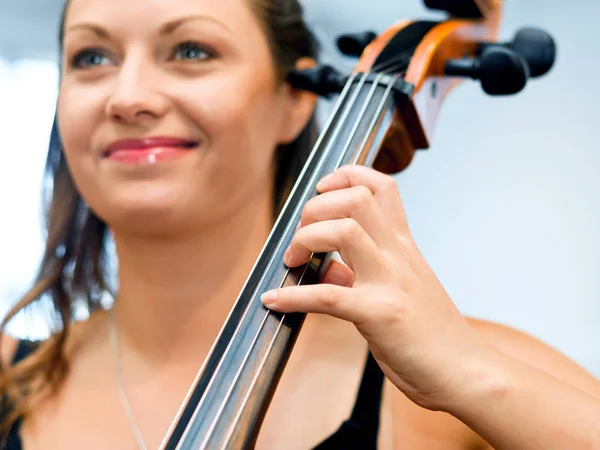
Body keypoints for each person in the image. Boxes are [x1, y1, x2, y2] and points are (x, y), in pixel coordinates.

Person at [1, 0, 599, 449]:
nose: (127, 96)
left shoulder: (455, 383)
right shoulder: (8, 382)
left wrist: (471, 374)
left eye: (191, 51)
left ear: (294, 99)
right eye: (92, 57)